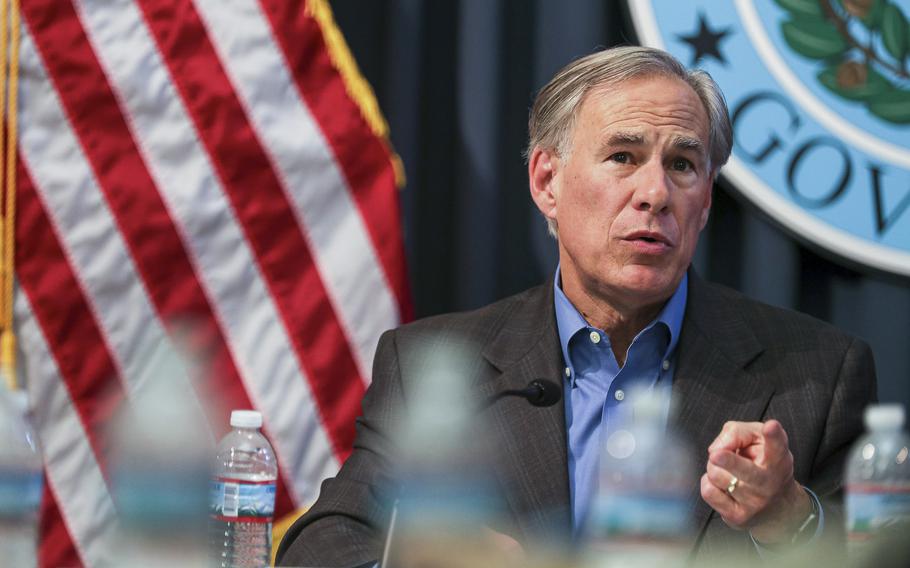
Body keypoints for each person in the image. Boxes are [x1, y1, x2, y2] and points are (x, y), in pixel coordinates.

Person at [276, 46, 877, 567]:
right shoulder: (436, 366)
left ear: (707, 200)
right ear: (547, 183)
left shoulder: (817, 373)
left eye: (683, 165)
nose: (655, 194)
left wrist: (791, 523)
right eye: (622, 157)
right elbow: (319, 547)